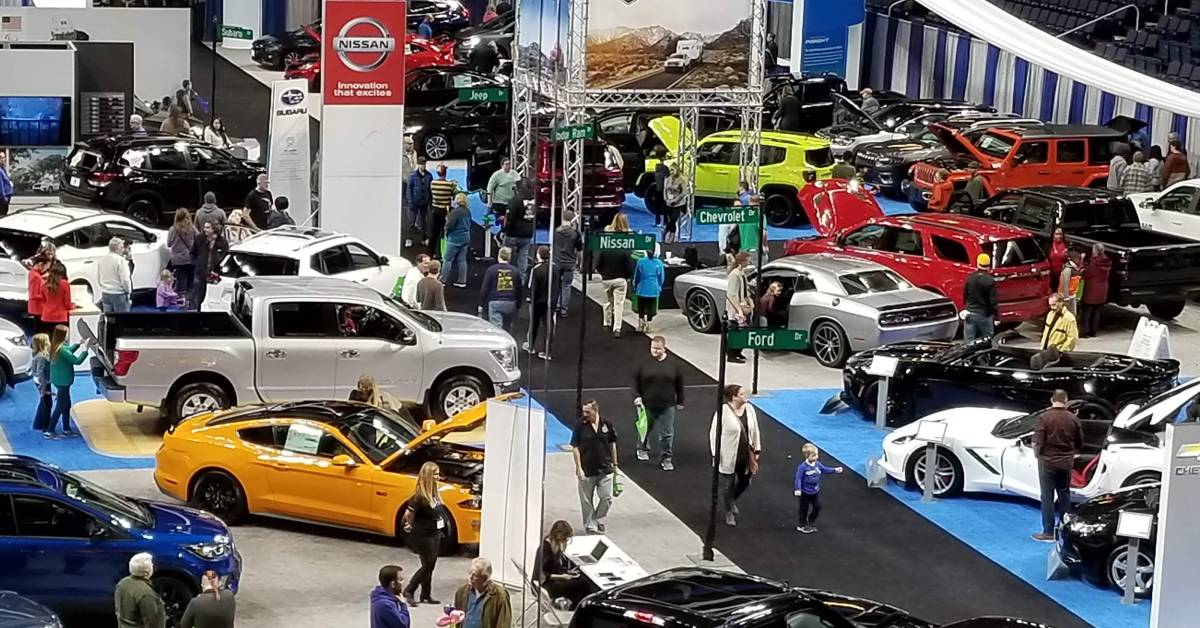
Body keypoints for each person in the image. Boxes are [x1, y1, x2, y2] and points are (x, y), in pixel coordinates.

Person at [1031, 390, 1084, 542]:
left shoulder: (1044, 417)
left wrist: (1038, 454)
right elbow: (1080, 441)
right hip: (1066, 462)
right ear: (1066, 400)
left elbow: (1038, 440)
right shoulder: (1073, 419)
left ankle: (1048, 532)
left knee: (1047, 497)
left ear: (1051, 400)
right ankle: (1065, 530)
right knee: (1064, 495)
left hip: (1047, 462)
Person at [709, 384, 761, 527]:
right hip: (728, 455)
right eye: (742, 394)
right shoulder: (723, 412)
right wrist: (715, 453)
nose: (746, 396)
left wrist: (757, 449)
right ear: (734, 397)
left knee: (745, 481)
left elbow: (755, 429)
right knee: (727, 485)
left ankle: (731, 500)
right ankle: (729, 512)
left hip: (745, 454)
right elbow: (714, 434)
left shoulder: (749, 409)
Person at [633, 336, 684, 471]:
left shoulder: (673, 364)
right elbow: (635, 381)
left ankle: (666, 458)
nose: (654, 351)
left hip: (667, 405)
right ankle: (642, 448)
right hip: (646, 404)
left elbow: (679, 383)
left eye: (657, 349)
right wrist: (636, 396)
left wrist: (680, 400)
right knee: (644, 429)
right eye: (652, 348)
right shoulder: (643, 363)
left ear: (664, 348)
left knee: (667, 433)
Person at [571, 399, 618, 534]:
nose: (584, 414)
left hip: (604, 467)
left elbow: (612, 444)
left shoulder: (606, 425)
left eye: (587, 411)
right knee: (586, 500)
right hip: (587, 469)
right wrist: (578, 468)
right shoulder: (580, 426)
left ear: (595, 410)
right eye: (583, 411)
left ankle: (597, 520)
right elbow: (575, 447)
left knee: (607, 498)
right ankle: (590, 526)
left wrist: (615, 465)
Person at [401, 462, 443, 607]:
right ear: (428, 477)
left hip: (435, 532)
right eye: (435, 474)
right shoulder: (418, 497)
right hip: (423, 534)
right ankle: (409, 590)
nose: (438, 477)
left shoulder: (434, 494)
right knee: (427, 565)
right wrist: (410, 524)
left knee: (430, 564)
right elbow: (408, 514)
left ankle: (426, 594)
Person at [594, 213, 635, 338]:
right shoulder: (626, 244)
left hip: (606, 279)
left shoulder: (605, 244)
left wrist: (603, 274)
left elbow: (598, 263)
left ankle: (606, 323)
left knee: (607, 302)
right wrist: (627, 276)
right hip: (621, 279)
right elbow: (629, 265)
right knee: (618, 304)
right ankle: (617, 328)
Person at [536, 521, 590, 607]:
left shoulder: (553, 545)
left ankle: (572, 606)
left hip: (552, 580)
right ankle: (574, 608)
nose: (565, 541)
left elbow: (554, 567)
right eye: (565, 538)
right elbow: (543, 575)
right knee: (584, 584)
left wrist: (567, 572)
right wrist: (564, 576)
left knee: (581, 580)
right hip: (546, 585)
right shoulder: (546, 549)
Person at [49, 325, 91, 438]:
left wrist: (78, 343)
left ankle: (66, 428)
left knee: (66, 405)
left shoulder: (57, 347)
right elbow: (77, 361)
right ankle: (50, 430)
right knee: (61, 406)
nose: (68, 335)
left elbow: (69, 350)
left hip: (59, 381)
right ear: (63, 335)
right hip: (63, 382)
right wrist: (85, 349)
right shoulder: (62, 350)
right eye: (67, 333)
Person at [794, 443, 843, 534]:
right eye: (814, 455)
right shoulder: (803, 467)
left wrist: (834, 470)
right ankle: (802, 525)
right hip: (805, 493)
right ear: (807, 456)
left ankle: (810, 521)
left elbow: (824, 469)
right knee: (804, 509)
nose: (816, 457)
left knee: (817, 507)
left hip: (814, 492)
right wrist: (797, 489)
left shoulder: (817, 465)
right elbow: (798, 478)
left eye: (817, 455)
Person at [453, 558, 512, 628]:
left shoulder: (500, 596)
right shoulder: (462, 592)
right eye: (470, 573)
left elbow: (503, 624)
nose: (470, 577)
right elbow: (455, 620)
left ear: (485, 578)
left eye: (475, 575)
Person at [115, 553, 167, 628]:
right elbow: (152, 622)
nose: (153, 566)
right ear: (146, 573)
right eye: (151, 565)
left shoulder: (122, 583)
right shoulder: (146, 594)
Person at [525, 246, 555, 359]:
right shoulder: (555, 269)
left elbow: (532, 287)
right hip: (550, 301)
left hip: (537, 302)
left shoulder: (536, 270)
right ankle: (547, 351)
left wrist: (530, 299)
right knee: (548, 326)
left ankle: (531, 346)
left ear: (539, 255)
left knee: (534, 324)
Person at [480, 247, 520, 332]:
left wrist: (481, 304)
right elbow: (519, 290)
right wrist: (518, 305)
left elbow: (485, 288)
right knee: (508, 328)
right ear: (509, 257)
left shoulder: (491, 270)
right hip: (510, 302)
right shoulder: (515, 271)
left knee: (496, 329)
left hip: (495, 302)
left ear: (499, 256)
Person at [191, 221, 229, 308]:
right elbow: (192, 253)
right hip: (200, 273)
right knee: (197, 298)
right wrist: (196, 263)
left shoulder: (222, 242)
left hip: (214, 275)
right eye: (204, 227)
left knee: (213, 300)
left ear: (214, 229)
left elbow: (225, 257)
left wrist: (218, 270)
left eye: (207, 227)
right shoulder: (199, 238)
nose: (204, 229)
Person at [502, 181, 535, 278]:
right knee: (523, 257)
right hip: (527, 234)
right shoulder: (533, 201)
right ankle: (521, 280)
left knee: (509, 257)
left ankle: (509, 279)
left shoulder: (515, 201)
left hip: (513, 233)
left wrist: (504, 230)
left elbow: (510, 218)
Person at [553, 209, 583, 317]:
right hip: (569, 263)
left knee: (556, 284)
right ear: (572, 219)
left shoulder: (556, 231)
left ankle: (555, 305)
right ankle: (564, 309)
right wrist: (579, 263)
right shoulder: (575, 234)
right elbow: (579, 250)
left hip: (557, 261)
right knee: (566, 286)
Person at [961, 253, 996, 342]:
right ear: (989, 266)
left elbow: (965, 296)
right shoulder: (990, 280)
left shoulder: (970, 278)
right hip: (984, 316)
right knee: (986, 342)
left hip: (970, 314)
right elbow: (993, 302)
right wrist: (997, 317)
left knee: (969, 343)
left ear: (977, 264)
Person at [1078, 243, 1111, 338]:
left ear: (1095, 251)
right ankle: (1094, 331)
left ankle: (1085, 331)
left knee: (1087, 310)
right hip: (1102, 290)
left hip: (1091, 290)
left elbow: (1084, 273)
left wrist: (1082, 260)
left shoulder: (1094, 264)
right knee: (1097, 311)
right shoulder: (1107, 262)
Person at [725, 252, 753, 363]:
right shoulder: (734, 275)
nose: (749, 262)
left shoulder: (741, 274)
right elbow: (732, 294)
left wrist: (749, 301)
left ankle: (737, 352)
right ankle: (731, 355)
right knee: (735, 332)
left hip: (741, 307)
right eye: (748, 260)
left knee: (742, 332)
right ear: (742, 261)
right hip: (735, 311)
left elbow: (745, 291)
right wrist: (739, 310)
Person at [441, 193, 471, 288]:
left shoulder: (455, 212)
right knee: (462, 260)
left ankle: (443, 280)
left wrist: (446, 232)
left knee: (447, 259)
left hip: (454, 238)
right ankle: (462, 281)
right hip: (465, 237)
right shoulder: (467, 211)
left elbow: (449, 225)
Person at [168, 208, 197, 302]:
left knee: (180, 280)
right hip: (191, 259)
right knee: (191, 280)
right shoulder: (192, 228)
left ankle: (181, 300)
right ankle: (190, 300)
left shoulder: (173, 229)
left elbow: (169, 243)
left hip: (178, 260)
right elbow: (199, 240)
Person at [632, 247, 665, 333]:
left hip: (642, 288)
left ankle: (640, 325)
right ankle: (649, 326)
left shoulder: (641, 261)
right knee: (651, 308)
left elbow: (637, 276)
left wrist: (635, 286)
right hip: (653, 289)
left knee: (641, 307)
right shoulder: (659, 263)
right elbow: (661, 277)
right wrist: (659, 286)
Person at [429, 164, 458, 257]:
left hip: (435, 211)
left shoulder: (432, 183)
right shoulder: (450, 184)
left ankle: (431, 252)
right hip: (445, 212)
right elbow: (455, 194)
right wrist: (454, 184)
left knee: (434, 233)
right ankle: (445, 252)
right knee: (446, 233)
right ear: (445, 173)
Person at [97, 238, 132, 313]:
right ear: (117, 248)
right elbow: (125, 280)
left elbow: (99, 279)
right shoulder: (120, 261)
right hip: (119, 295)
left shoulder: (101, 260)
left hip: (105, 294)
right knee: (122, 321)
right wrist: (128, 291)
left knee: (109, 321)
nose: (123, 250)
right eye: (122, 247)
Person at [30, 333, 53, 438]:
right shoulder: (42, 357)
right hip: (43, 382)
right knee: (47, 404)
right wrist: (43, 389)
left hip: (40, 381)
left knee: (44, 403)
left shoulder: (37, 355)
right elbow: (41, 372)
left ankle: (38, 423)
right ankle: (45, 426)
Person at [39, 263, 71, 334]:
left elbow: (43, 301)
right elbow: (67, 305)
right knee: (60, 343)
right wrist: (73, 305)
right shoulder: (65, 284)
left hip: (46, 317)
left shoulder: (44, 284)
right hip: (60, 318)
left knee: (48, 343)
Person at [408, 159, 434, 241]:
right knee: (412, 221)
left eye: (424, 164)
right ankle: (409, 239)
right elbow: (409, 189)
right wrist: (410, 201)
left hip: (424, 202)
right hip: (415, 202)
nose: (423, 166)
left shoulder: (429, 175)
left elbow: (431, 189)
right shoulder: (413, 176)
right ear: (418, 165)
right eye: (422, 164)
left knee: (424, 222)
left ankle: (424, 238)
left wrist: (430, 201)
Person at [662, 165, 687, 244]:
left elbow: (684, 192)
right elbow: (665, 189)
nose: (671, 172)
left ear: (676, 170)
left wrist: (676, 200)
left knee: (673, 219)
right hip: (669, 202)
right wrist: (666, 199)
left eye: (672, 170)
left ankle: (665, 231)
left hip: (678, 203)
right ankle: (672, 236)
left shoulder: (681, 179)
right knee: (671, 221)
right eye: (670, 170)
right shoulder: (667, 179)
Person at [25, 255, 46, 335]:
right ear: (41, 265)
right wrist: (45, 296)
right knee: (39, 330)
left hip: (35, 307)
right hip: (37, 308)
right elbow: (34, 294)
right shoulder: (36, 276)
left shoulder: (33, 273)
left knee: (38, 329)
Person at [1058, 250, 1082, 315]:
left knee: (1073, 314)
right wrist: (1066, 298)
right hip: (1066, 296)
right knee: (1066, 314)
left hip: (1072, 295)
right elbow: (1065, 285)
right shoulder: (1067, 270)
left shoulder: (1075, 268)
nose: (1078, 260)